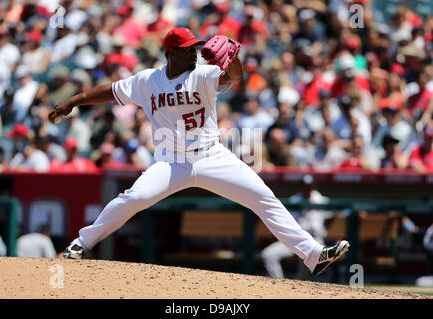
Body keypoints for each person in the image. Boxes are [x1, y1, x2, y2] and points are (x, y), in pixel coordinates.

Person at [48, 27, 349, 276]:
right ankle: (80, 243)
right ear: (171, 53)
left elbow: (234, 77)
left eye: (196, 47)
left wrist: (234, 58)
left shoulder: (202, 74)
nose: (195, 51)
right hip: (170, 162)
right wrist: (72, 101)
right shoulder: (147, 81)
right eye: (188, 48)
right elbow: (111, 91)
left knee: (263, 197)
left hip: (211, 156)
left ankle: (314, 255)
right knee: (134, 198)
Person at [261, 175, 334, 279]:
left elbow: (341, 211)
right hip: (295, 239)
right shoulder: (294, 200)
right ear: (301, 186)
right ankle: (279, 286)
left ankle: (303, 286)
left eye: (309, 186)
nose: (307, 188)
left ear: (313, 187)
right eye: (304, 186)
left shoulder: (321, 200)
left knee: (309, 255)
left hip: (315, 239)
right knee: (268, 255)